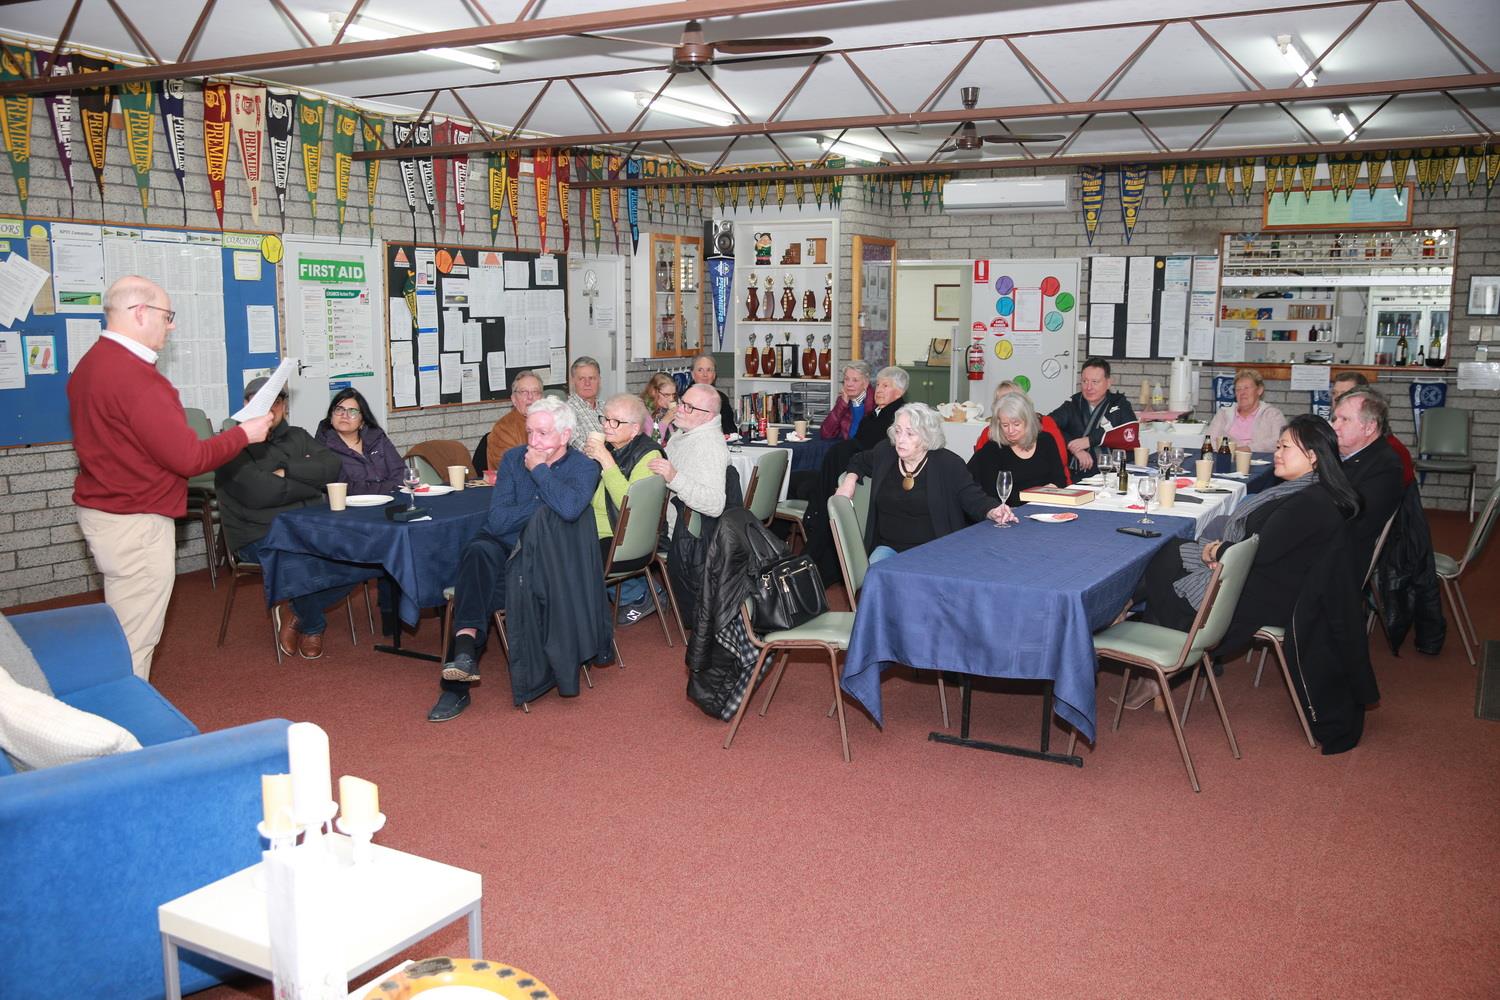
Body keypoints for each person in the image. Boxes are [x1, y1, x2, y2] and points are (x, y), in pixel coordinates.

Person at [68, 275, 275, 680]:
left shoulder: (91, 363)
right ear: (139, 313)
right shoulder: (138, 379)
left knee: (123, 625)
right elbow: (189, 458)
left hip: (105, 512)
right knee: (135, 639)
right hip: (136, 522)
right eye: (167, 315)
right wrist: (243, 435)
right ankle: (123, 715)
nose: (172, 324)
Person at [1135, 415, 1376, 753]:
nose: (1277, 453)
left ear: (1312, 456)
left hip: (1248, 603)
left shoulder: (1308, 503)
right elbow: (1262, 546)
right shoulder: (1311, 491)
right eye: (1278, 446)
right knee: (1168, 555)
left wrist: (1217, 551)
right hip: (1269, 586)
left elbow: (1257, 552)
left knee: (1154, 562)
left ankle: (1136, 646)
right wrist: (1219, 551)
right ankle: (1148, 665)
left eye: (1285, 447)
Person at [432, 397, 602, 722]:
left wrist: (539, 472)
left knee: (479, 587)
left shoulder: (584, 467)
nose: (533, 442)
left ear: (565, 435)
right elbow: (498, 521)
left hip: (546, 560)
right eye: (530, 432)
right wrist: (544, 505)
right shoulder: (512, 459)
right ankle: (464, 656)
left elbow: (569, 508)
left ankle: (459, 670)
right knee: (477, 553)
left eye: (542, 433)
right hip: (501, 546)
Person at [216, 378, 346, 660]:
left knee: (359, 555)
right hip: (258, 535)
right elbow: (260, 493)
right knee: (298, 560)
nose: (270, 409)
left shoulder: (298, 436)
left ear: (285, 406)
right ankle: (313, 626)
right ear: (246, 404)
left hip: (307, 528)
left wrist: (287, 470)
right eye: (260, 402)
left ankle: (295, 610)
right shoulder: (231, 445)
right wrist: (310, 483)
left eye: (276, 402)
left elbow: (332, 466)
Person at [836, 403, 1017, 562]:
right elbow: (858, 460)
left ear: (926, 437)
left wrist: (993, 510)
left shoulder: (948, 464)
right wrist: (849, 482)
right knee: (875, 575)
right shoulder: (885, 453)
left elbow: (973, 498)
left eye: (910, 434)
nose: (900, 439)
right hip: (888, 548)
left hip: (934, 549)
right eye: (898, 431)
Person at [585, 393, 665, 622]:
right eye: (605, 419)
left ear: (634, 429)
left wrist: (605, 461)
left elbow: (631, 506)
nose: (607, 426)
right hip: (597, 529)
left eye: (616, 422)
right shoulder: (611, 447)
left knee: (570, 555)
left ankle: (637, 596)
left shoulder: (648, 456)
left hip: (626, 538)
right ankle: (643, 590)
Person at [1332, 388, 1406, 577]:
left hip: (1339, 560)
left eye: (1344, 420)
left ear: (1369, 427)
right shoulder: (1348, 454)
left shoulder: (1385, 467)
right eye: (1335, 419)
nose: (1334, 426)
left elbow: (1354, 524)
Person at [649, 383, 729, 529]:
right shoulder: (684, 432)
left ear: (708, 415)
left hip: (673, 531)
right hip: (661, 516)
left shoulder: (709, 446)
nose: (678, 409)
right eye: (681, 402)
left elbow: (715, 505)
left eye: (689, 407)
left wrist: (674, 477)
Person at [967, 391, 1067, 505]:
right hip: (1010, 511)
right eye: (1005, 425)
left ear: (1028, 422)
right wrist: (1037, 496)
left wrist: (1052, 487)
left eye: (1016, 424)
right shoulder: (992, 450)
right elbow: (993, 495)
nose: (1010, 430)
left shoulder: (1046, 440)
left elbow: (1060, 480)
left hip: (1046, 506)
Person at [1049, 357, 1136, 474]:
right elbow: (1045, 424)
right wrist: (1073, 447)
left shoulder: (1120, 405)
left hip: (1115, 473)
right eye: (1085, 381)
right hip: (1079, 473)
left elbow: (1130, 436)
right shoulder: (1073, 405)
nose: (1089, 387)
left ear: (1108, 383)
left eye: (1095, 382)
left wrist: (1090, 440)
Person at [315, 387, 404, 494]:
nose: (344, 415)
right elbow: (345, 487)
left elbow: (401, 473)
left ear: (362, 421)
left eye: (352, 411)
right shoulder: (322, 447)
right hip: (349, 503)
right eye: (339, 409)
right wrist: (387, 488)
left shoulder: (377, 437)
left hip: (391, 499)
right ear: (331, 417)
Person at [1332, 371, 1415, 486]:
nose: (1336, 399)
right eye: (1334, 393)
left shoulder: (1391, 452)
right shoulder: (1338, 437)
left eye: (1345, 394)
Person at [1205, 368, 1286, 453]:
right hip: (1227, 457)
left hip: (1260, 460)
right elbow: (1209, 440)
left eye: (1246, 388)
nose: (1242, 393)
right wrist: (1229, 450)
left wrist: (1249, 449)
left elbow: (1280, 441)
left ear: (1259, 390)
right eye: (1238, 389)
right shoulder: (1223, 413)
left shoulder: (1273, 414)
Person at [487, 370, 544, 471]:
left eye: (535, 392)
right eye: (524, 392)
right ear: (514, 399)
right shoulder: (503, 428)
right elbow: (511, 469)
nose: (530, 397)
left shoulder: (551, 423)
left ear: (542, 398)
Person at [820, 361, 872, 440]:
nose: (849, 384)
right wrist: (842, 404)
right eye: (846, 379)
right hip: (847, 445)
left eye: (855, 380)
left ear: (866, 383)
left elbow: (863, 437)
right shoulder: (842, 401)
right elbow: (826, 433)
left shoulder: (876, 401)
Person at [690, 353, 738, 436]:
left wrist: (726, 435)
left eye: (709, 370)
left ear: (714, 375)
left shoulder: (722, 398)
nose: (705, 375)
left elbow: (731, 429)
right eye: (700, 370)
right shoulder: (685, 399)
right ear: (692, 375)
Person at [565, 356, 604, 448]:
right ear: (573, 382)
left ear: (599, 380)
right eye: (582, 379)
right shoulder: (566, 412)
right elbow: (581, 449)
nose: (587, 383)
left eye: (592, 378)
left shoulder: (606, 407)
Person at [640, 371, 678, 443]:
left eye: (673, 395)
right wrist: (666, 420)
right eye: (666, 395)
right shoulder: (643, 411)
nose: (671, 399)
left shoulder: (663, 408)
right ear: (654, 392)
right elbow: (652, 443)